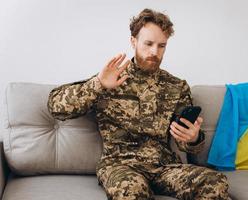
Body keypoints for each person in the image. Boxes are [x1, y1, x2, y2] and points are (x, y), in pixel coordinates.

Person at [47, 8, 229, 200]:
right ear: (133, 41)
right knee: (131, 190)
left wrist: (192, 138)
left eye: (161, 46)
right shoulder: (110, 79)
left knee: (215, 182)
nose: (154, 52)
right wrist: (98, 84)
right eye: (148, 43)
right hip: (121, 166)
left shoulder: (176, 86)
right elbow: (56, 107)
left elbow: (185, 142)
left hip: (165, 167)